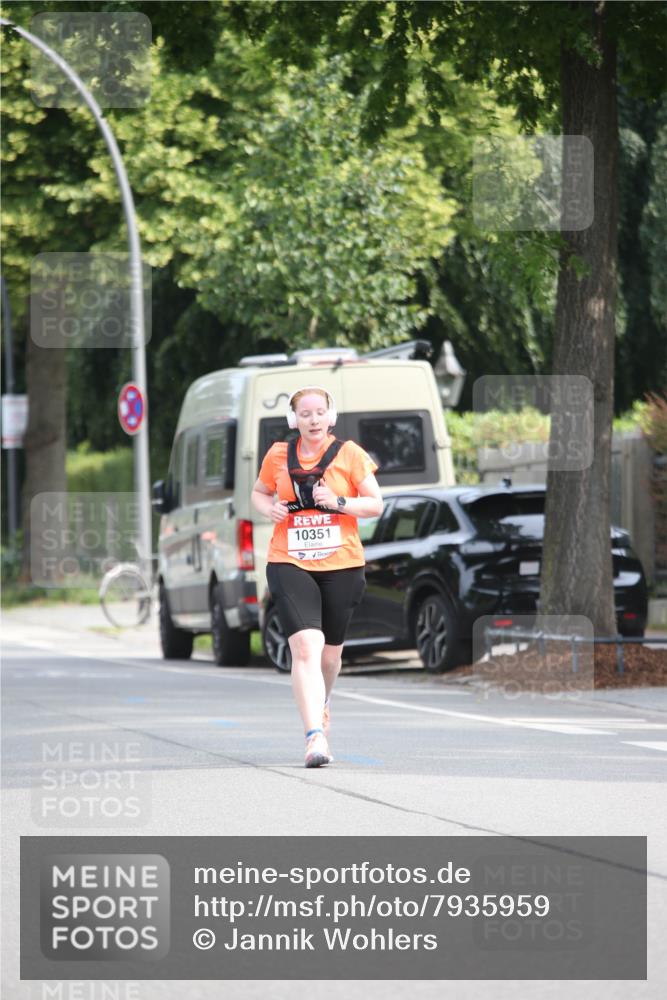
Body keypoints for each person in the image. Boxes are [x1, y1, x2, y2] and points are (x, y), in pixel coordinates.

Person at [251, 385, 383, 768]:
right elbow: (258, 493)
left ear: (331, 416)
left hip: (342, 563)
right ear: (294, 419)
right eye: (305, 414)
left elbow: (375, 503)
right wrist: (269, 509)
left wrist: (339, 502)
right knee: (306, 647)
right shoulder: (278, 455)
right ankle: (314, 737)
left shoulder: (350, 454)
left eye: (319, 412)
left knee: (329, 656)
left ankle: (323, 700)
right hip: (289, 561)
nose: (313, 420)